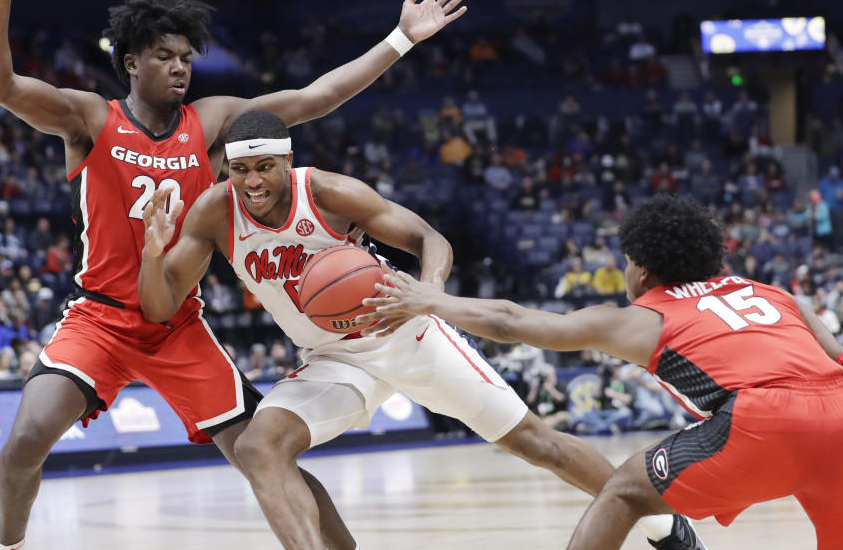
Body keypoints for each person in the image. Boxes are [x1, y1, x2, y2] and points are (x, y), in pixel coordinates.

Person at [0, 0, 468, 550]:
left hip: (178, 322)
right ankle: (8, 545)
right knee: (22, 443)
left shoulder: (210, 122)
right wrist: (1, 0)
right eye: (164, 57)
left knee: (269, 457)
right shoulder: (90, 117)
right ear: (131, 62)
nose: (180, 68)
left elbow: (313, 98)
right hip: (100, 319)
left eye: (186, 58)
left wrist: (401, 37)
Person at [137, 111, 703, 550]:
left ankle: (660, 522)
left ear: (289, 160)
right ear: (227, 171)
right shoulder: (214, 213)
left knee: (536, 444)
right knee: (262, 446)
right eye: (240, 170)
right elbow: (159, 307)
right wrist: (152, 252)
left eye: (265, 167)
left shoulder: (331, 193)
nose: (253, 181)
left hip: (405, 331)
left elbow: (431, 239)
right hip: (333, 357)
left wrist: (426, 293)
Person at [364, 195, 843, 550]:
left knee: (627, 488)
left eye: (626, 261)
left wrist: (432, 299)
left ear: (642, 270)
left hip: (766, 419)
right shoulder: (773, 294)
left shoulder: (642, 318)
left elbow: (510, 320)